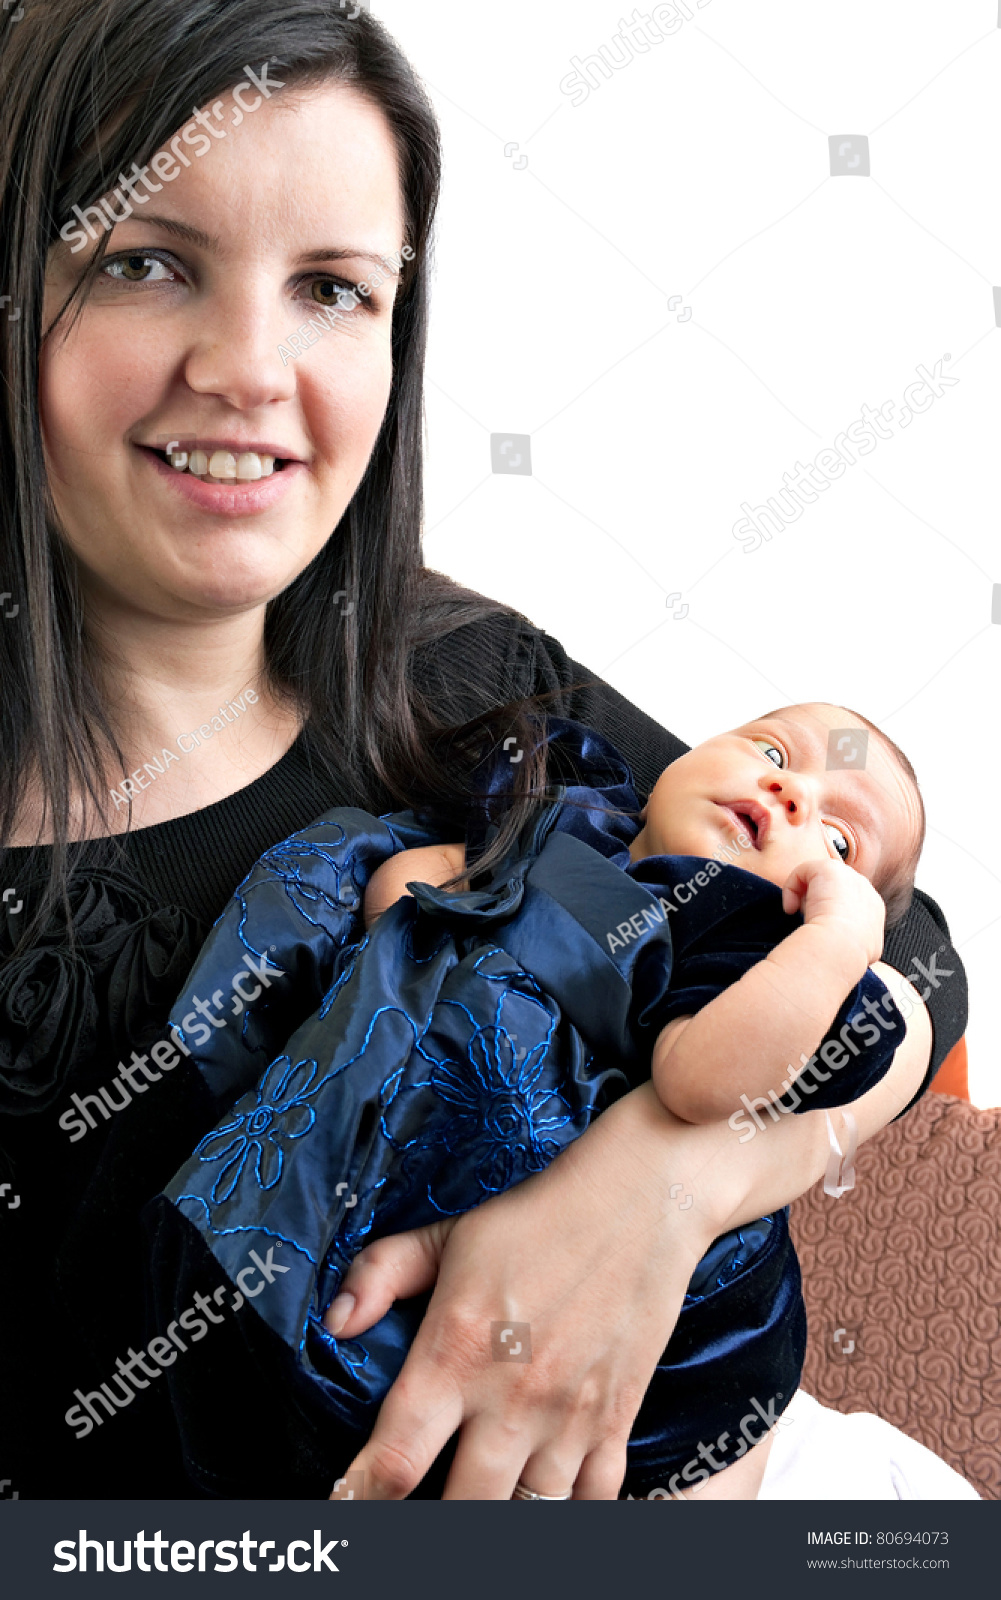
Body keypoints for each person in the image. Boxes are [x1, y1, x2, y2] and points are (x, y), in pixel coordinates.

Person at [0, 1, 965, 1502]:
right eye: (146, 262)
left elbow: (913, 949)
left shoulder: (467, 673)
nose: (253, 371)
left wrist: (663, 1186)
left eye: (330, 287)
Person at [147, 699, 919, 1499]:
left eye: (836, 840)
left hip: (666, 1354)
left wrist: (832, 944)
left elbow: (702, 1083)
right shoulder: (569, 821)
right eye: (770, 749)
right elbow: (411, 885)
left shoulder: (744, 945)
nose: (791, 792)